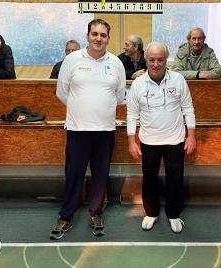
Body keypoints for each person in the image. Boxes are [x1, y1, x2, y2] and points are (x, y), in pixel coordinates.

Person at [50, 19, 126, 240]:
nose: (98, 39)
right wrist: (81, 108)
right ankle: (66, 216)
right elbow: (61, 92)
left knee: (100, 176)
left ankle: (96, 213)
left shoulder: (116, 64)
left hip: (105, 131)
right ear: (87, 35)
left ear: (108, 39)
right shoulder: (72, 60)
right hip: (77, 129)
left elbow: (120, 96)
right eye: (95, 34)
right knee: (73, 175)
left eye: (103, 35)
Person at [127, 42, 196, 233]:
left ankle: (174, 214)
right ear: (146, 60)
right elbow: (131, 114)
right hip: (149, 140)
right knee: (149, 178)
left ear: (166, 60)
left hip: (175, 140)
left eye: (160, 60)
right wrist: (131, 141)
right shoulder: (138, 84)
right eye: (152, 60)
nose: (156, 64)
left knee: (175, 178)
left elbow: (188, 108)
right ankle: (151, 213)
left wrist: (191, 136)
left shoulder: (178, 80)